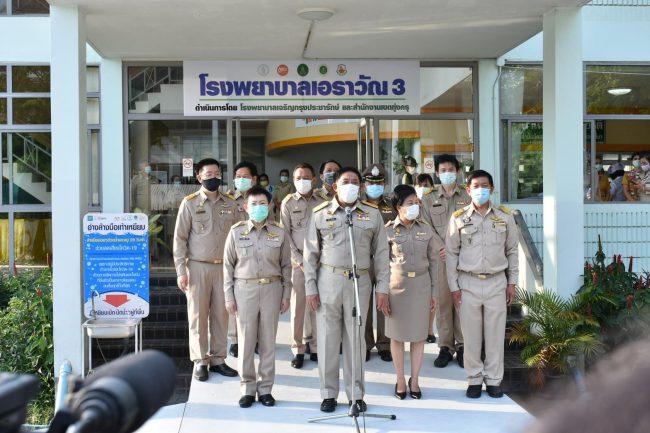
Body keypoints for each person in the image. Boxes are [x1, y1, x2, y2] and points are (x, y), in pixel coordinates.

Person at [304, 167, 389, 413]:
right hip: (328, 281)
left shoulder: (372, 214)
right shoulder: (320, 213)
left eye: (354, 182)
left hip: (359, 281)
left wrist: (383, 288)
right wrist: (310, 287)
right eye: (345, 181)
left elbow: (382, 254)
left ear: (361, 187)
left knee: (356, 341)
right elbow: (310, 255)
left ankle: (356, 394)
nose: (350, 185)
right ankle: (328, 393)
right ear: (335, 186)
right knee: (328, 340)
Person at [446, 169, 518, 399]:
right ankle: (474, 379)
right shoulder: (458, 218)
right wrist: (454, 287)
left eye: (484, 186)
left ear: (492, 189)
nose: (480, 190)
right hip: (468, 282)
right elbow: (451, 254)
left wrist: (512, 282)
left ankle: (494, 380)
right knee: (471, 336)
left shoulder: (506, 216)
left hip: (497, 282)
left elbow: (512, 251)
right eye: (475, 186)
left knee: (495, 335)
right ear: (468, 190)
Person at [173, 158, 241, 382]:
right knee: (198, 316)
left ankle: (218, 359)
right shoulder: (189, 203)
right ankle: (200, 361)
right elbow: (180, 239)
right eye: (208, 174)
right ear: (199, 177)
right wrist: (181, 271)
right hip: (197, 267)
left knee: (222, 315)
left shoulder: (231, 203)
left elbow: (240, 235)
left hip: (224, 268)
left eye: (217, 173)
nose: (213, 177)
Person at [223, 185, 291, 408]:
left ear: (270, 205)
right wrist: (228, 296)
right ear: (245, 207)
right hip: (245, 290)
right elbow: (228, 266)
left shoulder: (279, 232)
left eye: (262, 203)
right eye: (254, 204)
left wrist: (286, 294)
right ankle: (247, 388)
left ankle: (265, 389)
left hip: (272, 289)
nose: (258, 207)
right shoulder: (236, 232)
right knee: (246, 341)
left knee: (268, 342)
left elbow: (286, 266)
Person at [382, 184, 437, 400]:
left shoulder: (426, 229)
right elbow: (381, 265)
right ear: (398, 206)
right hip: (396, 287)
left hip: (421, 287)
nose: (415, 206)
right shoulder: (388, 230)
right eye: (410, 203)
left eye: (416, 202)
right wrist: (382, 292)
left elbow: (434, 262)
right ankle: (400, 379)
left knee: (418, 336)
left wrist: (434, 293)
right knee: (397, 337)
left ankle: (415, 380)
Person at [421, 154, 471, 369]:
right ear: (437, 173)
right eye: (443, 170)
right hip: (440, 257)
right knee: (443, 302)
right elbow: (424, 224)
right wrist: (442, 246)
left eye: (451, 169)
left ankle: (462, 345)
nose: (447, 173)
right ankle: (445, 346)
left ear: (457, 171)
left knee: (462, 301)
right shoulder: (428, 198)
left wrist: (457, 249)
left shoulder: (468, 195)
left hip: (464, 257)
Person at [280, 163, 326, 369]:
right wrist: (299, 261)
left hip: (320, 262)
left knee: (317, 306)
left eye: (306, 177)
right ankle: (297, 349)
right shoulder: (288, 203)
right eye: (298, 178)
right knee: (298, 308)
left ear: (314, 179)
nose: (302, 181)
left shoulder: (323, 202)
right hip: (297, 263)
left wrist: (321, 259)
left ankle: (315, 347)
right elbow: (285, 235)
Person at [361, 163, 395, 363]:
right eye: (370, 183)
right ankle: (365, 344)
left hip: (386, 260)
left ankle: (385, 344)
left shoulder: (392, 205)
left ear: (384, 184)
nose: (374, 186)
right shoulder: (356, 205)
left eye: (379, 183)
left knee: (385, 302)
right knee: (363, 304)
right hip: (364, 261)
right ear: (364, 185)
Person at [225, 161, 259, 358]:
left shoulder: (262, 199)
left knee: (257, 302)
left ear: (254, 179)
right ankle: (236, 339)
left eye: (245, 176)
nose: (241, 180)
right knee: (235, 301)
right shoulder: (228, 199)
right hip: (236, 255)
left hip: (258, 255)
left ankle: (256, 339)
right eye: (238, 177)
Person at [414, 173, 437, 343]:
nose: (423, 188)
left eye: (427, 185)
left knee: (431, 295)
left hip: (432, 252)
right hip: (413, 254)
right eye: (420, 185)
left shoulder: (435, 202)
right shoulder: (410, 203)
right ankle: (415, 329)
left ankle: (429, 330)